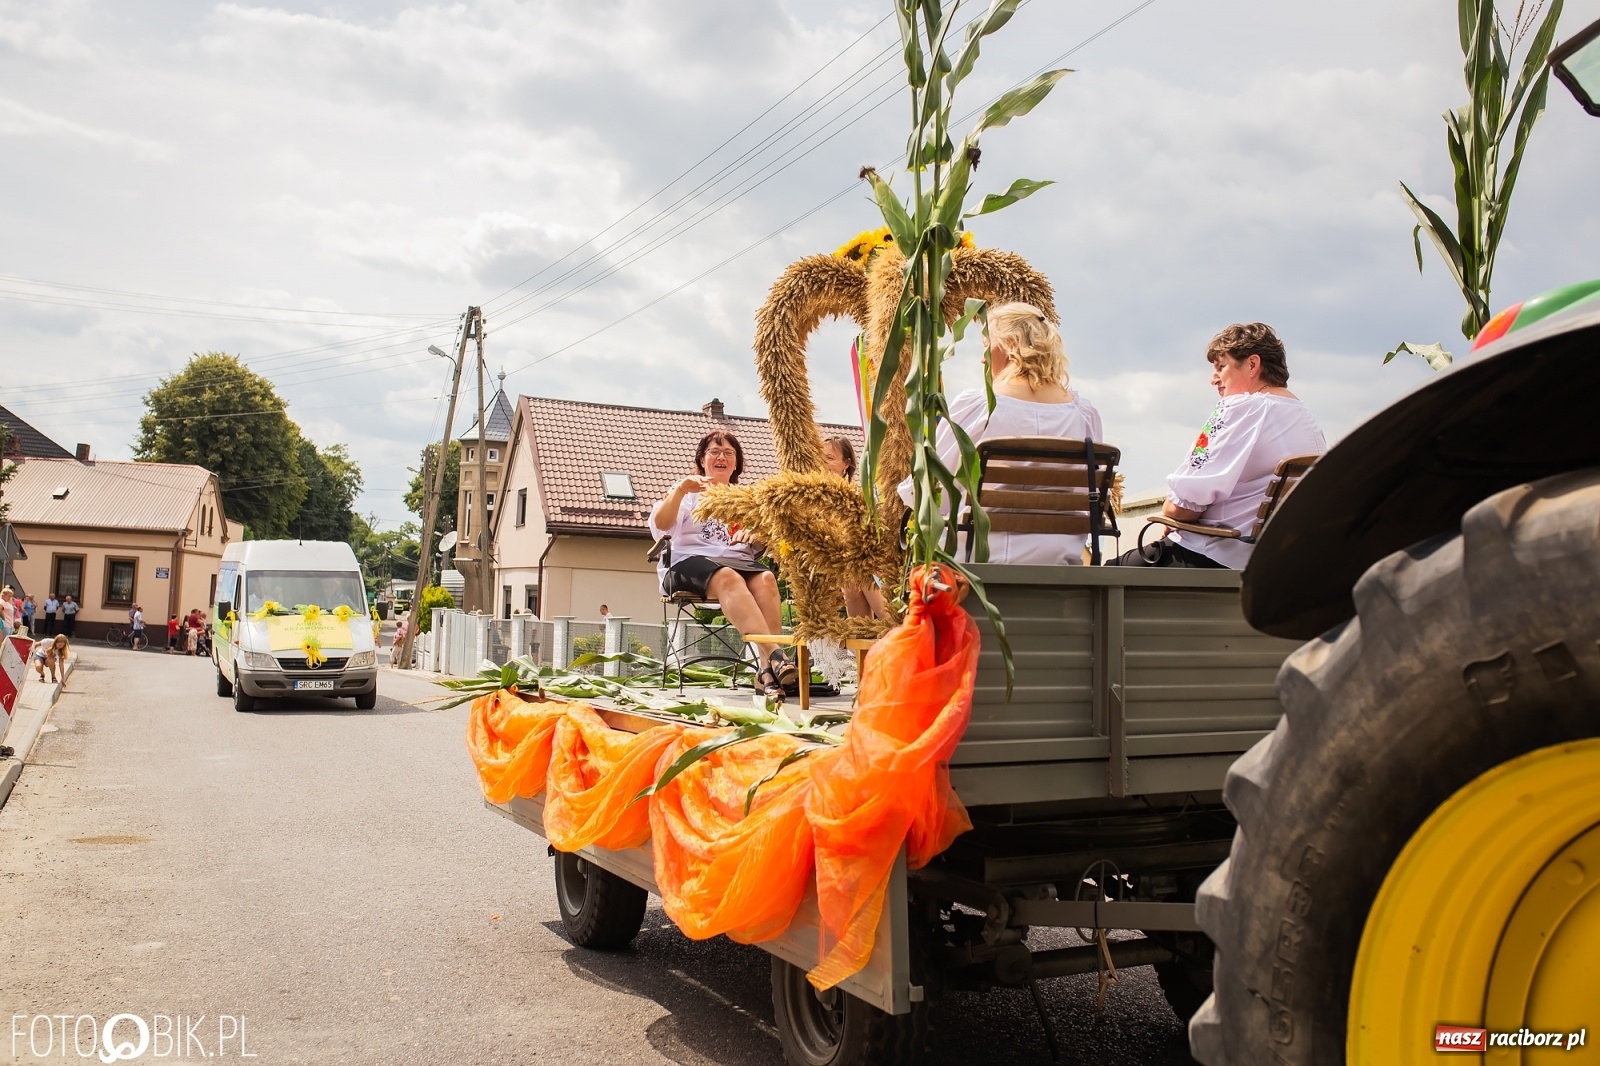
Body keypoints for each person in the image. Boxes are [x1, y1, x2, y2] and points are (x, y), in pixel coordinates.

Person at [898, 302, 1105, 565]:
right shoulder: (1082, 414)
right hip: (1059, 557)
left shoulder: (980, 407)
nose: (982, 357)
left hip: (981, 557)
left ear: (1010, 343)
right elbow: (1088, 495)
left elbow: (932, 489)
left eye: (987, 344)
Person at [1110, 322, 1325, 569]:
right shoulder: (1307, 420)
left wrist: (1170, 513)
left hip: (1219, 554)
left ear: (1252, 364)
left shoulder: (1241, 408)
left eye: (1221, 367)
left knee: (1107, 573)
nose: (1213, 379)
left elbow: (1182, 507)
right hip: (1277, 563)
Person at [651, 429, 791, 702]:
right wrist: (680, 490)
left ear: (736, 463)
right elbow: (662, 525)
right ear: (702, 460)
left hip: (737, 562)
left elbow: (762, 541)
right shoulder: (686, 492)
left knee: (766, 579)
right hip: (687, 563)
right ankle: (777, 654)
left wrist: (756, 533)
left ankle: (766, 672)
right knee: (728, 576)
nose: (721, 457)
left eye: (728, 453)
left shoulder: (745, 498)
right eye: (714, 452)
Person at [822, 435, 892, 621]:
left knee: (860, 575)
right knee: (854, 578)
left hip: (867, 565)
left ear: (846, 463)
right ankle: (880, 628)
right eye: (820, 457)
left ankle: (890, 624)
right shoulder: (814, 495)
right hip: (832, 565)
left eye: (830, 458)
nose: (824, 463)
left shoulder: (857, 498)